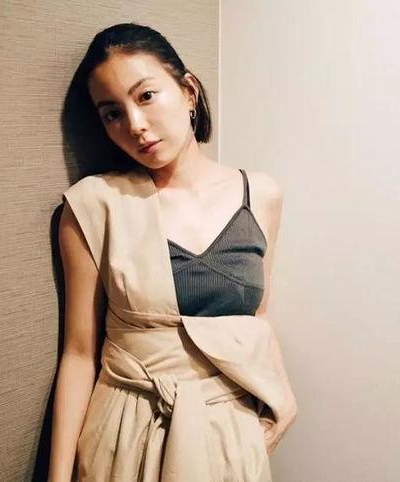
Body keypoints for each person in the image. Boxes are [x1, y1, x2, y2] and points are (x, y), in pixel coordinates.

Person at [48, 22, 298, 482]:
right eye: (112, 113)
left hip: (231, 436)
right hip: (128, 435)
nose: (134, 125)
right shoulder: (94, 205)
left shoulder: (261, 195)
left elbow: (256, 319)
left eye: (146, 96)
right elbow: (80, 353)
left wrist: (283, 397)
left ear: (188, 91)